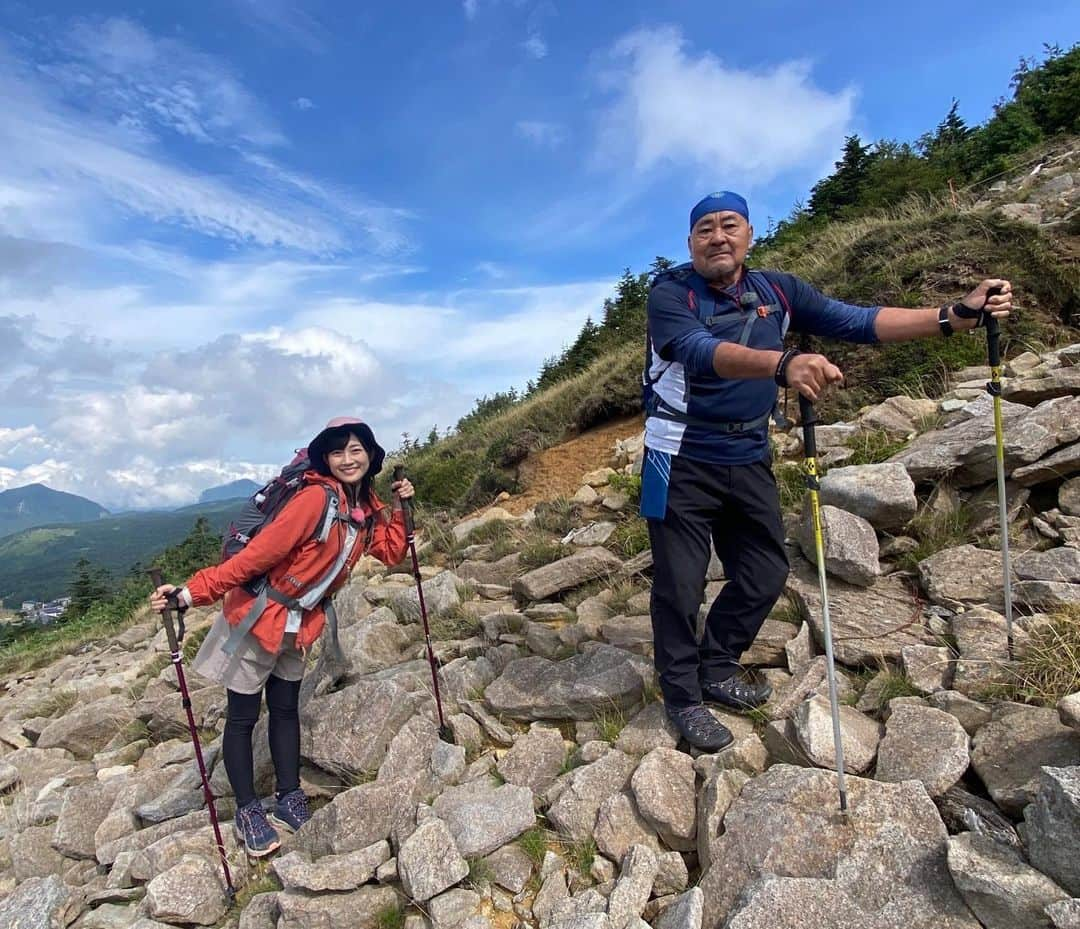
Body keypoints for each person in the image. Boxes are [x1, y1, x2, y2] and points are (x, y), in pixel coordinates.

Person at [641, 191, 1012, 751]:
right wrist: (783, 363)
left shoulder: (778, 290)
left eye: (729, 225)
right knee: (679, 584)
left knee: (765, 572)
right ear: (690, 243)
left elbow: (858, 321)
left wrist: (952, 317)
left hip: (747, 455)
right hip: (679, 457)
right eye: (704, 230)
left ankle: (716, 665)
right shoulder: (670, 294)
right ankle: (682, 697)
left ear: (748, 235)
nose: (717, 237)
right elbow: (697, 350)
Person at [151, 417, 412, 856]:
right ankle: (249, 809)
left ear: (371, 455)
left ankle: (289, 797)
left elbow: (390, 552)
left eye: (356, 450)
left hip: (300, 623)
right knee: (242, 717)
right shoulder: (315, 499)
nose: (348, 459)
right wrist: (191, 593)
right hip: (258, 618)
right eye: (337, 451)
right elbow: (256, 556)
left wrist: (402, 508)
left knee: (286, 710)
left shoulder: (365, 506)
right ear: (324, 458)